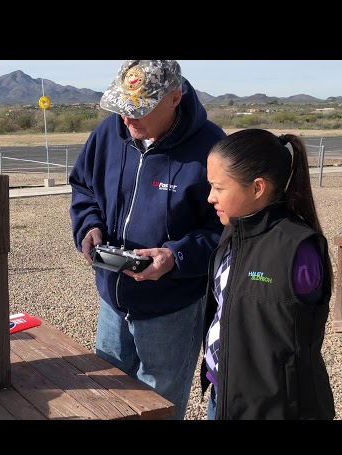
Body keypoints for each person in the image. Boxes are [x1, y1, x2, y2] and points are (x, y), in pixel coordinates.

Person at [69, 60, 226, 420]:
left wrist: (176, 257)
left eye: (138, 108)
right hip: (112, 301)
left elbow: (226, 229)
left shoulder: (211, 147)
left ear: (174, 98)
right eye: (121, 105)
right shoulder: (109, 133)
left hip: (171, 310)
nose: (126, 116)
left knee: (158, 407)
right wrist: (88, 226)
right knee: (109, 401)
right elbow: (83, 188)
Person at [201, 128, 335, 420]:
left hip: (275, 408)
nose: (210, 197)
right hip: (222, 396)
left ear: (257, 188)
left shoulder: (298, 248)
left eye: (219, 188)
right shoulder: (232, 232)